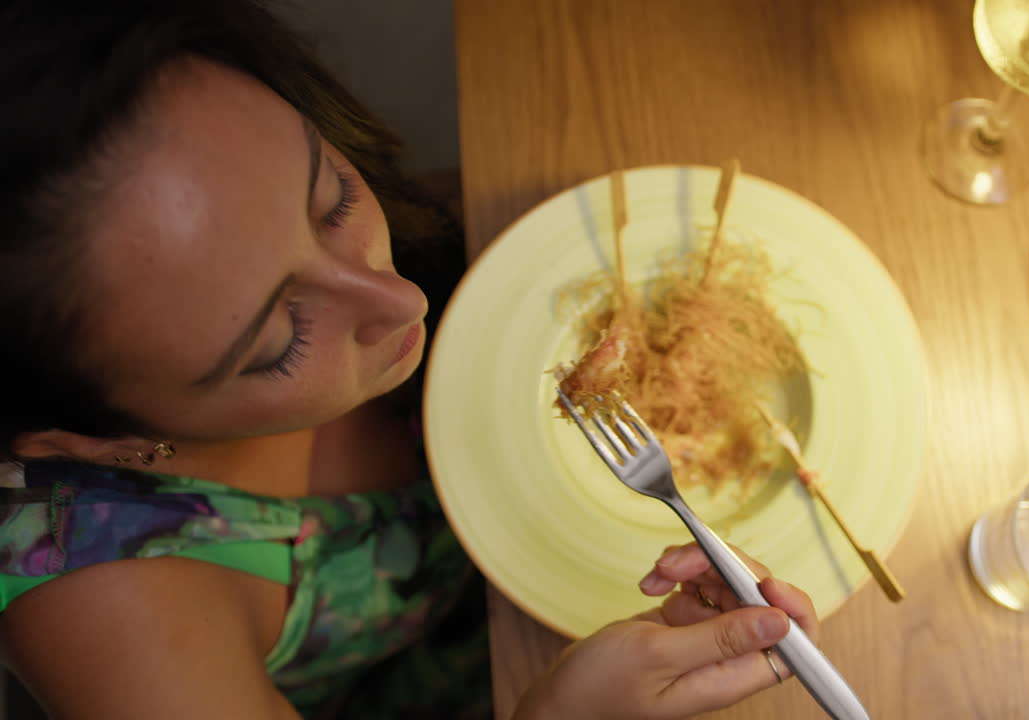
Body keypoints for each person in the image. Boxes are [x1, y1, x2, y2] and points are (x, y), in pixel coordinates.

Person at [0, 1, 820, 718]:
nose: (401, 302)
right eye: (278, 342)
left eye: (334, 201)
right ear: (88, 443)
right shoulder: (103, 611)